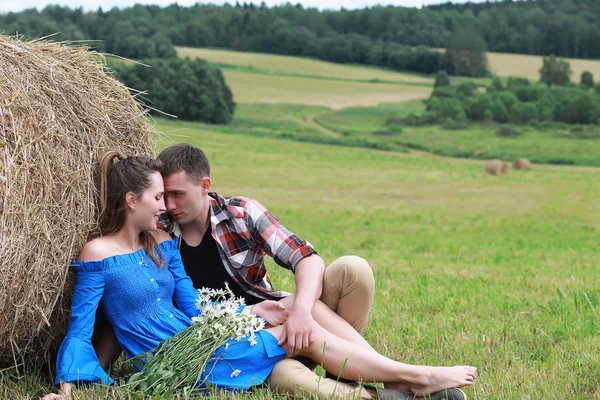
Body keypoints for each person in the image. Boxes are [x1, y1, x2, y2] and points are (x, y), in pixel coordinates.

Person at [42, 152, 477, 400]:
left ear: (205, 187)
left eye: (173, 195)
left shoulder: (165, 243)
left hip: (201, 335)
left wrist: (254, 313)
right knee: (288, 338)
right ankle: (411, 380)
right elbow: (84, 327)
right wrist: (68, 389)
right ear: (132, 199)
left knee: (292, 314)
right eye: (160, 196)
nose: (166, 206)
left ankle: (405, 378)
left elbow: (193, 308)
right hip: (172, 356)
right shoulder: (99, 252)